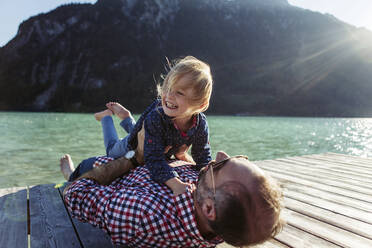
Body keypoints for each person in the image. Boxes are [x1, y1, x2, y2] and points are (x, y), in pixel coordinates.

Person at [61, 151, 284, 247]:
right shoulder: (215, 218)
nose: (221, 154)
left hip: (101, 167)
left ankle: (69, 172)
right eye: (241, 158)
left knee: (74, 177)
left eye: (221, 166)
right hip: (152, 163)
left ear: (208, 208)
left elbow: (75, 194)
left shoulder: (145, 214)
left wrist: (133, 157)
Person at [92, 55, 214, 196]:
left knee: (148, 133)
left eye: (179, 93)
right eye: (167, 88)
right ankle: (106, 118)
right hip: (135, 144)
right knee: (112, 150)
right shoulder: (156, 117)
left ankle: (127, 118)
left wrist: (210, 176)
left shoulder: (200, 123)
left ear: (200, 105)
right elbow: (153, 158)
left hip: (154, 137)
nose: (169, 95)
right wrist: (176, 184)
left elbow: (202, 156)